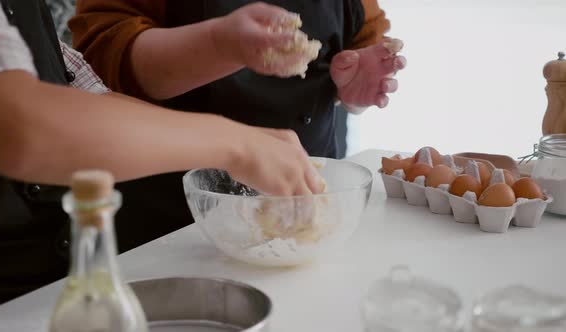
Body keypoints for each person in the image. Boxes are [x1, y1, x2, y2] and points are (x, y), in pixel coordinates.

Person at [0, 0, 323, 313]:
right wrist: (237, 145)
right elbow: (18, 124)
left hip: (38, 294)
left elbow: (88, 94)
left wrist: (249, 140)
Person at [69, 0, 407, 242]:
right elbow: (104, 57)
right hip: (173, 224)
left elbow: (363, 41)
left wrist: (352, 85)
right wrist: (221, 47)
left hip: (308, 203)